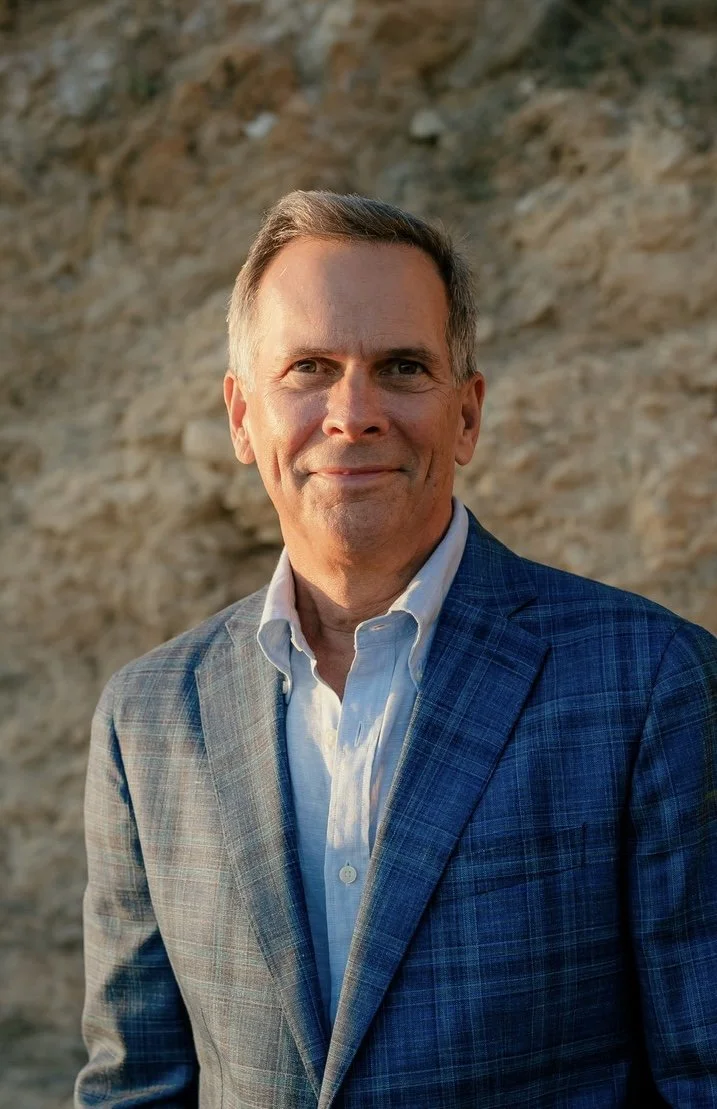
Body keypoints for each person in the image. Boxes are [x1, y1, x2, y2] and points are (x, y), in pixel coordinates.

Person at [75, 191, 717, 1108]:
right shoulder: (148, 718)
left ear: (465, 415)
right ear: (241, 417)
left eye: (403, 367)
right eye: (308, 368)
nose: (353, 412)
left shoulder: (650, 682)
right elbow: (135, 1085)